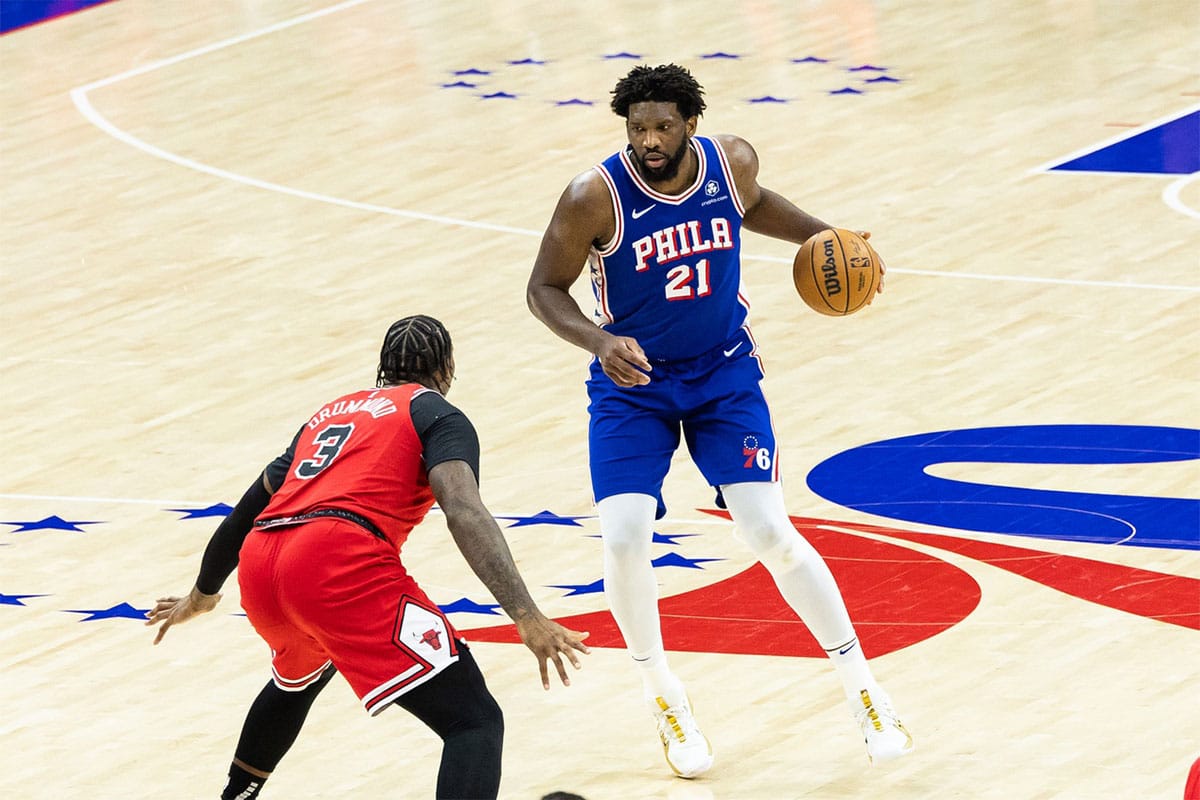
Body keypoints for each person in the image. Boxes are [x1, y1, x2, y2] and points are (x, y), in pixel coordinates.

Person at [526, 64, 912, 779]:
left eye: (662, 126)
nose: (648, 139)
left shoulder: (728, 162)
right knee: (623, 537)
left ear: (689, 125)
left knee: (770, 530)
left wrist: (830, 237)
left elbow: (756, 205)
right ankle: (661, 692)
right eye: (637, 127)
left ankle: (864, 686)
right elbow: (543, 288)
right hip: (633, 384)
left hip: (722, 373)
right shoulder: (593, 197)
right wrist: (598, 341)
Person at [146, 314, 590, 800]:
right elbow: (463, 509)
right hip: (335, 562)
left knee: (300, 677)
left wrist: (202, 594)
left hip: (263, 562)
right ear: (447, 368)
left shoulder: (329, 415)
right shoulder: (436, 414)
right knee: (474, 720)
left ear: (383, 367)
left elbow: (246, 512)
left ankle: (236, 795)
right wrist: (526, 615)